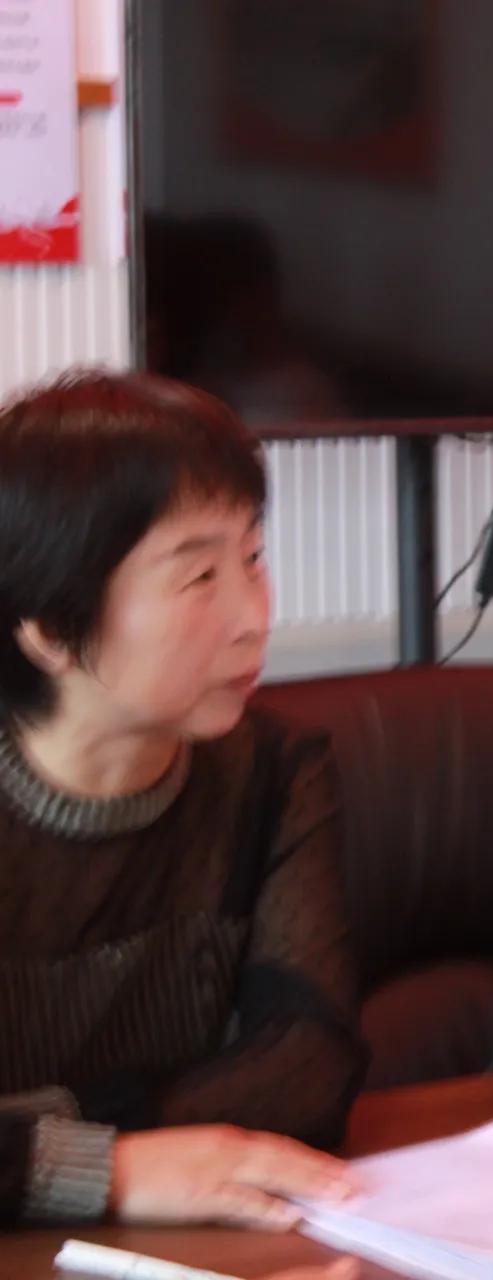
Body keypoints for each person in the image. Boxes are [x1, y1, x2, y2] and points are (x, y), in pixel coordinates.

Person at [0, 372, 364, 1229]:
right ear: (50, 629)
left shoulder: (274, 771)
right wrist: (109, 1166)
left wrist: (33, 1137)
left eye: (253, 559)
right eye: (199, 577)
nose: (254, 617)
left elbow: (310, 1069)